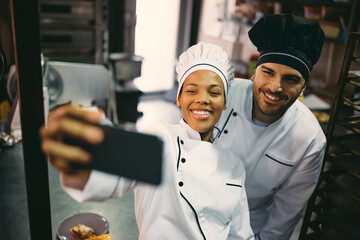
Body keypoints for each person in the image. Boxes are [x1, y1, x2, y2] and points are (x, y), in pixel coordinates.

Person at [40, 42, 254, 240]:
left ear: (225, 102)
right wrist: (83, 159)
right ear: (179, 97)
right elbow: (112, 176)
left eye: (214, 92)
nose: (203, 99)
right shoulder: (161, 139)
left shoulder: (234, 165)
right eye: (191, 90)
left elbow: (240, 235)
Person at [211, 13, 326, 239]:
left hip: (247, 229)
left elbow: (286, 213)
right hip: (192, 210)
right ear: (255, 72)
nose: (275, 87)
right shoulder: (222, 96)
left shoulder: (310, 139)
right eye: (268, 72)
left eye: (291, 79)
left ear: (304, 87)